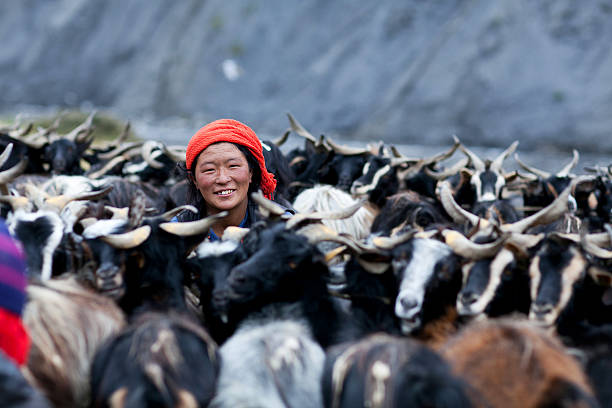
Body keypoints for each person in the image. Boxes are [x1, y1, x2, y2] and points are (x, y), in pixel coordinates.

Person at [175, 119, 293, 241]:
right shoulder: (174, 235)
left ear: (251, 172)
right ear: (194, 179)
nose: (223, 179)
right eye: (210, 169)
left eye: (233, 166)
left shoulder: (286, 229)